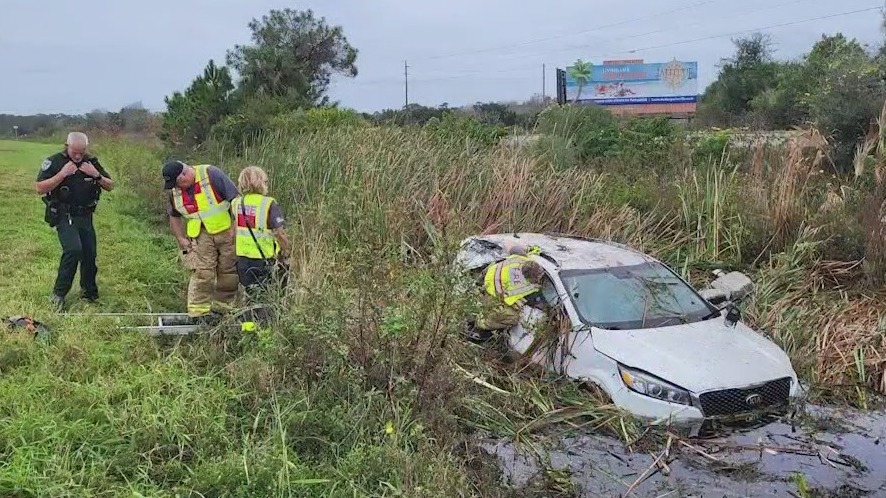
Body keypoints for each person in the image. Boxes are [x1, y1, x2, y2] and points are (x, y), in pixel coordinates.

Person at [36, 132, 114, 311]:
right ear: (67, 146)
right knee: (73, 250)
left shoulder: (91, 162)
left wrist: (96, 175)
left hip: (85, 215)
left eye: (82, 152)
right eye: (75, 152)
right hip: (64, 214)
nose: (78, 156)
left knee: (89, 254)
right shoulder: (54, 162)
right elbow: (39, 188)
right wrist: (62, 174)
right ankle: (58, 294)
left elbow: (110, 185)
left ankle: (89, 293)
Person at [162, 160, 240, 321]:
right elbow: (174, 216)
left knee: (228, 271)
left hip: (227, 232)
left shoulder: (211, 174)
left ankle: (223, 308)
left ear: (184, 174)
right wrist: (181, 239)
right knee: (202, 272)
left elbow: (236, 200)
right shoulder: (175, 192)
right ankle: (198, 313)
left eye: (177, 183)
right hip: (200, 235)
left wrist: (237, 228)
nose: (176, 188)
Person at [229, 165, 291, 303]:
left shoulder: (236, 203)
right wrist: (286, 251)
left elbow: (233, 232)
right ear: (259, 182)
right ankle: (263, 324)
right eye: (265, 181)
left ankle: (248, 324)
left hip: (242, 258)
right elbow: (279, 233)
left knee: (249, 296)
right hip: (264, 258)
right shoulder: (269, 203)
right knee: (264, 298)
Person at [474, 246, 547, 332]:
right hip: (492, 295)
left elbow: (514, 248)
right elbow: (539, 303)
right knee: (513, 318)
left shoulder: (521, 259)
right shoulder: (527, 288)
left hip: (486, 277)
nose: (539, 279)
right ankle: (481, 323)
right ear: (529, 278)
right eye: (538, 277)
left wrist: (531, 249)